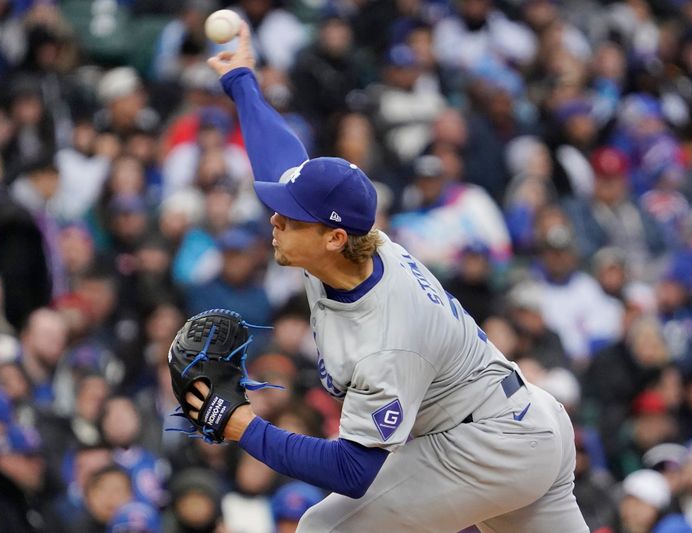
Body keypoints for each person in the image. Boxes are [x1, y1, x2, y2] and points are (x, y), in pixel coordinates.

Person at [181, 22, 588, 532]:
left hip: (490, 443)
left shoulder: (387, 336)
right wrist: (243, 80)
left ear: (332, 237)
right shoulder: (347, 248)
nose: (275, 220)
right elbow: (283, 161)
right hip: (525, 424)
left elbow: (353, 470)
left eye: (291, 217)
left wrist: (242, 426)